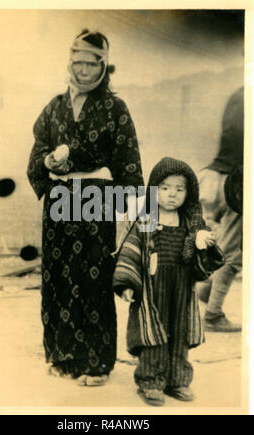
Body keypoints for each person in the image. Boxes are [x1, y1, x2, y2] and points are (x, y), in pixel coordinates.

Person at [27, 29, 144, 386]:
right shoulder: (53, 107)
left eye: (91, 63)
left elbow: (128, 159)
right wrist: (49, 162)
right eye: (77, 62)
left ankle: (96, 363)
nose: (83, 70)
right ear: (69, 62)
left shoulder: (115, 109)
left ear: (104, 66)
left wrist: (134, 210)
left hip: (96, 199)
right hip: (60, 200)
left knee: (93, 277)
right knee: (59, 277)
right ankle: (63, 356)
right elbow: (37, 155)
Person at [113, 157, 218, 406]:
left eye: (179, 189)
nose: (172, 194)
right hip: (153, 288)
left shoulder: (190, 224)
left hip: (182, 287)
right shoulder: (146, 221)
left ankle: (178, 380)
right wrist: (127, 283)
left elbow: (204, 260)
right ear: (153, 191)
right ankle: (150, 381)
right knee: (153, 332)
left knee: (180, 332)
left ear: (188, 193)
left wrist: (204, 243)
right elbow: (131, 250)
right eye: (165, 188)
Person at [197, 87, 243, 333]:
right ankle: (213, 315)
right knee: (235, 254)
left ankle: (205, 290)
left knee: (226, 242)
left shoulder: (239, 93)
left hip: (216, 176)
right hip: (238, 181)